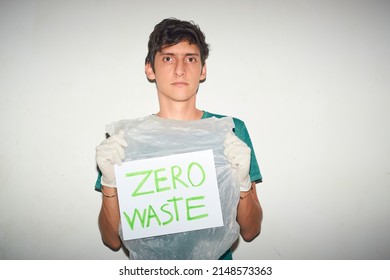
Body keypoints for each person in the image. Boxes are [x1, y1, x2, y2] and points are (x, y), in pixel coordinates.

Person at [95, 18, 263, 260]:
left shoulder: (230, 130)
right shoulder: (127, 140)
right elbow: (111, 239)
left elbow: (251, 230)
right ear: (149, 69)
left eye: (191, 58)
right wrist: (110, 183)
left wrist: (244, 183)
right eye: (168, 58)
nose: (180, 69)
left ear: (203, 69)